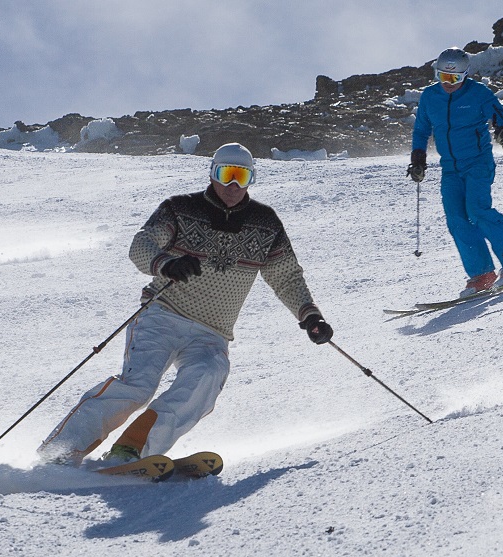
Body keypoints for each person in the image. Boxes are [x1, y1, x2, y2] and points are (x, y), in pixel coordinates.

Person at [38, 143, 333, 468]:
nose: (233, 185)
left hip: (212, 333)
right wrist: (165, 263)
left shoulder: (266, 225)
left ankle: (133, 450)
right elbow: (142, 244)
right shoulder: (181, 210)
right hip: (162, 316)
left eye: (242, 176)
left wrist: (309, 314)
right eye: (226, 174)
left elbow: (286, 276)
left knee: (208, 375)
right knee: (138, 387)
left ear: (251, 179)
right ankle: (62, 451)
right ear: (212, 173)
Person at [407, 47, 503, 297]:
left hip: (478, 162)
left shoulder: (478, 93)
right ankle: (482, 275)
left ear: (465, 75)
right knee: (456, 219)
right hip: (450, 169)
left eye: (454, 78)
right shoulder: (429, 97)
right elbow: (421, 130)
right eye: (443, 77)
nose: (448, 83)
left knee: (478, 210)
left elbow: (501, 117)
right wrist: (418, 158)